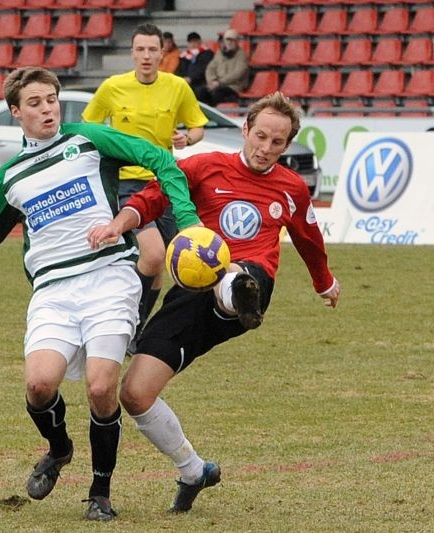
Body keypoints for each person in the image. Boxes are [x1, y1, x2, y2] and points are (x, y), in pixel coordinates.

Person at [0, 66, 200, 522]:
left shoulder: (88, 139)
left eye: (51, 100)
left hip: (109, 277)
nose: (47, 109)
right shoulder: (12, 175)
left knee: (103, 387)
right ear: (15, 112)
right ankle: (59, 449)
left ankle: (100, 492)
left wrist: (185, 221)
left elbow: (161, 160)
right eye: (35, 103)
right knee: (38, 384)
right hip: (53, 290)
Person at [87, 91, 341, 514]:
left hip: (251, 287)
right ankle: (193, 470)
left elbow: (309, 240)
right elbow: (151, 198)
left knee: (237, 275)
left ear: (287, 144)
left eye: (277, 143)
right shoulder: (205, 167)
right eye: (260, 136)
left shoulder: (292, 188)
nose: (265, 149)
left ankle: (234, 289)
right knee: (134, 393)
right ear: (245, 129)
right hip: (191, 289)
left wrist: (324, 282)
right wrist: (119, 224)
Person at [82, 22, 208, 351]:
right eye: (140, 49)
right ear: (132, 53)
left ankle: (139, 332)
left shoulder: (178, 87)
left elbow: (198, 128)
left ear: (163, 53)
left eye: (153, 49)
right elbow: (87, 130)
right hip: (127, 183)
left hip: (165, 182)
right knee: (153, 256)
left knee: (171, 266)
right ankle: (128, 326)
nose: (147, 56)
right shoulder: (112, 87)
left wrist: (186, 138)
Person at [196, 28, 250, 106]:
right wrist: (212, 81)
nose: (229, 42)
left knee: (218, 94)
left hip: (233, 87)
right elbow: (210, 68)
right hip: (216, 84)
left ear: (237, 42)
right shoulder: (219, 53)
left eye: (232, 40)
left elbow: (238, 74)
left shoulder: (242, 55)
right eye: (227, 40)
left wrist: (219, 83)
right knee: (201, 92)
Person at [176, 31, 214, 95]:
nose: (193, 44)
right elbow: (179, 71)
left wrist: (191, 79)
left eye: (195, 41)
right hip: (185, 82)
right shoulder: (184, 56)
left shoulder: (207, 53)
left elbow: (205, 69)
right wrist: (182, 79)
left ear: (200, 42)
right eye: (190, 42)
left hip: (200, 83)